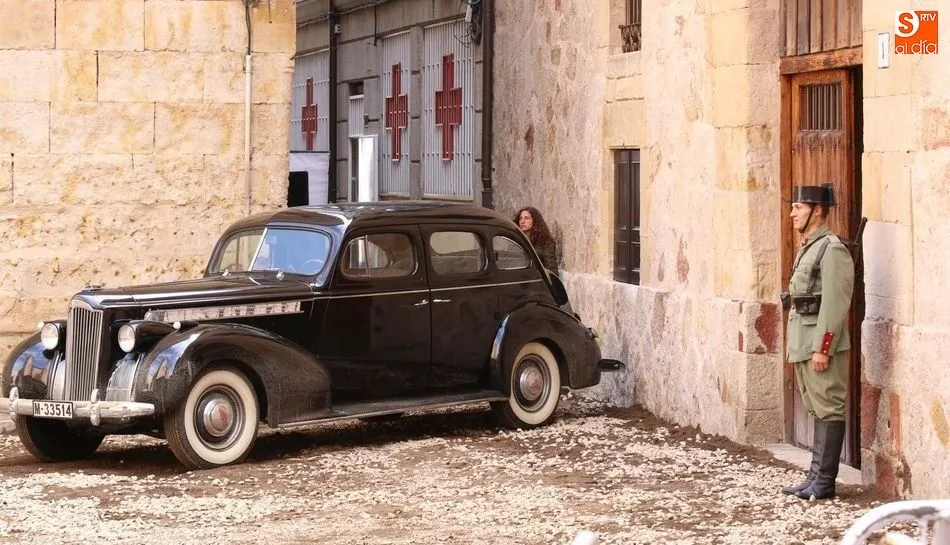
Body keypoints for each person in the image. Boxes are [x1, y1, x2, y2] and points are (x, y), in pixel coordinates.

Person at [780, 182, 855, 500]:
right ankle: (814, 476)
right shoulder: (809, 246)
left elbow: (836, 305)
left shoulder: (832, 248)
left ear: (818, 210)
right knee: (816, 408)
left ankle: (825, 481)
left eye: (799, 207)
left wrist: (823, 348)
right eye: (794, 206)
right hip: (803, 340)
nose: (793, 212)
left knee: (829, 407)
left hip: (821, 345)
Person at [514, 206, 558, 271]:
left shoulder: (545, 242)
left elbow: (552, 269)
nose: (522, 221)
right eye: (520, 218)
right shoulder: (517, 240)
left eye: (527, 218)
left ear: (535, 221)